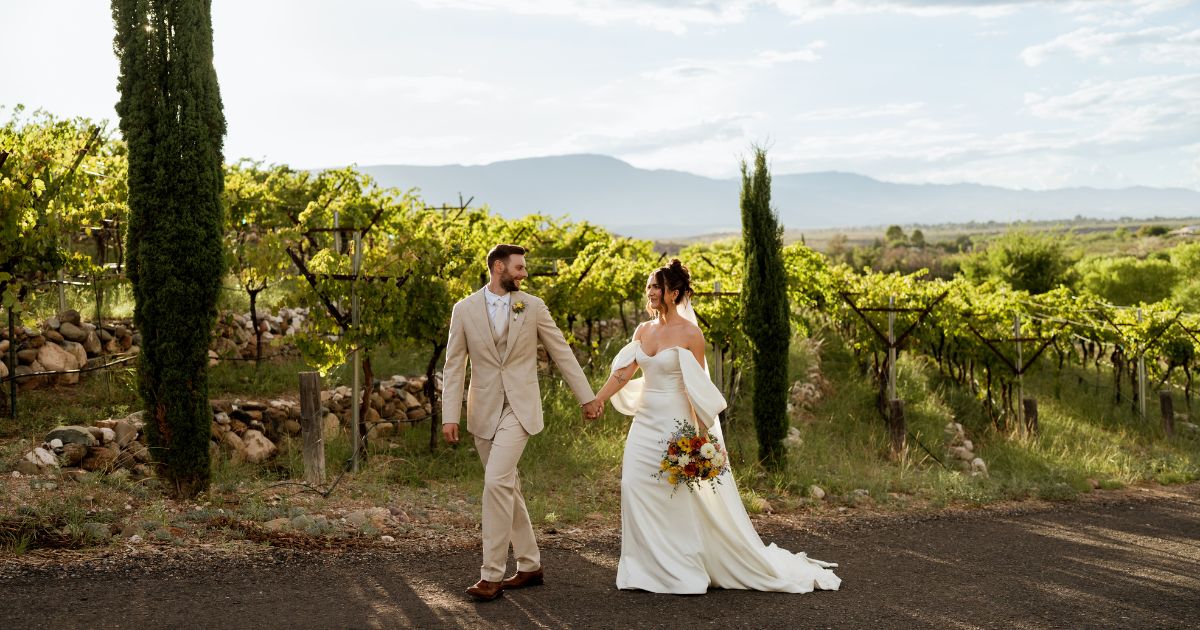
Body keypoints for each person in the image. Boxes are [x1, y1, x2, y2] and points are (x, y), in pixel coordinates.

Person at [591, 259, 842, 594]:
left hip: (674, 423)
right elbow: (623, 372)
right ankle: (642, 567)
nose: (649, 292)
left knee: (672, 492)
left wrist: (702, 437)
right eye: (648, 286)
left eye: (656, 286)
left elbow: (696, 387)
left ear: (673, 292)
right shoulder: (642, 331)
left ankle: (678, 566)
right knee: (633, 484)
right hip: (645, 421)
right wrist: (598, 400)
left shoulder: (691, 334)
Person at [441, 243, 604, 601]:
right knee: (506, 488)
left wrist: (587, 397)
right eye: (518, 268)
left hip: (521, 408)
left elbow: (560, 350)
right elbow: (454, 365)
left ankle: (491, 575)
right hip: (483, 410)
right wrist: (449, 415)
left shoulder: (532, 306)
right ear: (498, 267)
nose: (524, 274)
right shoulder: (464, 309)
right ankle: (530, 565)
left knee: (496, 482)